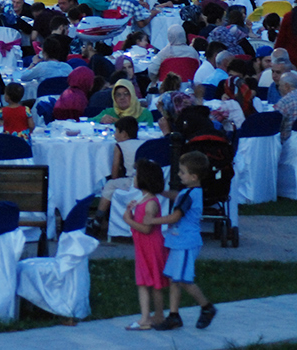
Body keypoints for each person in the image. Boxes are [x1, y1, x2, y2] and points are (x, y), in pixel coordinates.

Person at [145, 151, 217, 330]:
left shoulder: (188, 195)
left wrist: (152, 221)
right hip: (179, 242)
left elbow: (175, 217)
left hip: (185, 242)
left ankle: (206, 307)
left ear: (194, 176)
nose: (179, 174)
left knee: (184, 279)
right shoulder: (192, 191)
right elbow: (177, 196)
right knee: (174, 279)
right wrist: (161, 192)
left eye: (182, 172)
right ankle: (174, 315)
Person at [121, 159, 169, 331]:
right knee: (143, 281)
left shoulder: (150, 204)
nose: (134, 177)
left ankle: (156, 316)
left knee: (155, 283)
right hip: (143, 247)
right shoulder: (143, 200)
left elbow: (147, 229)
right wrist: (130, 213)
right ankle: (146, 317)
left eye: (136, 175)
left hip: (151, 247)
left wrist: (128, 220)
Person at [90, 116, 144, 231]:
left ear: (123, 134)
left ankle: (98, 220)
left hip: (132, 181)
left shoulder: (119, 146)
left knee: (110, 185)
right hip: (144, 179)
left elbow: (114, 171)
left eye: (116, 132)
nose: (115, 135)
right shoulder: (143, 143)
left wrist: (114, 179)